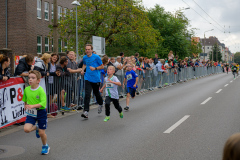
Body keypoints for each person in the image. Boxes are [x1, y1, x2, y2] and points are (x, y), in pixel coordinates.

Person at [23, 70, 49, 155]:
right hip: (31, 113)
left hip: (41, 112)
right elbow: (25, 99)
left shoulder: (40, 90)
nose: (30, 79)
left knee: (42, 133)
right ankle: (37, 127)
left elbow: (43, 103)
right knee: (26, 129)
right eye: (29, 77)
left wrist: (32, 106)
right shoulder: (26, 89)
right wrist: (25, 105)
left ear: (38, 80)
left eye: (33, 78)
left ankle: (45, 146)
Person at [80, 44, 104, 119]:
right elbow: (84, 64)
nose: (87, 51)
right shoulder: (84, 57)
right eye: (86, 49)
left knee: (96, 93)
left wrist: (95, 68)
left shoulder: (96, 57)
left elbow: (102, 66)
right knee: (87, 94)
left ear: (91, 50)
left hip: (96, 78)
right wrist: (82, 69)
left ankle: (100, 103)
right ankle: (86, 112)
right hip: (87, 78)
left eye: (88, 49)